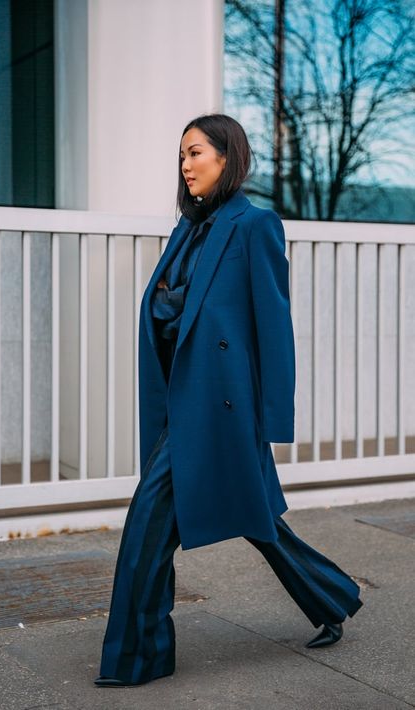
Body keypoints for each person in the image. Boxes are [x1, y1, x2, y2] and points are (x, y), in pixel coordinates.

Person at [94, 114, 363, 688]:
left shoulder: (255, 225)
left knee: (147, 527)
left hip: (223, 413)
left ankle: (138, 658)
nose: (186, 165)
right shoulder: (186, 230)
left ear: (227, 156)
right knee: (258, 520)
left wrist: (270, 423)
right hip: (181, 406)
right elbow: (169, 312)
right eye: (182, 156)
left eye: (196, 153)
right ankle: (333, 597)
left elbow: (275, 327)